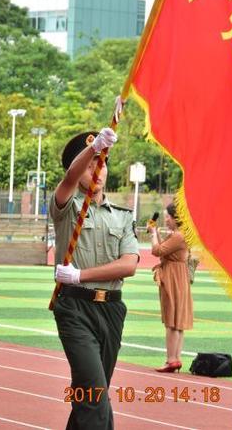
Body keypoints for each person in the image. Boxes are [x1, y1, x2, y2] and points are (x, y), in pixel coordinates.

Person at [51, 129, 139, 429]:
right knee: (95, 396)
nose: (97, 170)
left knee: (88, 393)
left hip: (112, 310)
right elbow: (69, 180)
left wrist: (80, 274)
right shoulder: (67, 207)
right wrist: (92, 149)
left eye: (102, 162)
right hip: (75, 309)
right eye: (91, 165)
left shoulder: (123, 216)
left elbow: (129, 265)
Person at [149, 202, 193, 373]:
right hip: (179, 276)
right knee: (178, 320)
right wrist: (157, 234)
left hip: (172, 276)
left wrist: (153, 233)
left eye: (167, 217)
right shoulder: (180, 234)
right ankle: (175, 359)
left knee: (171, 319)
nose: (166, 220)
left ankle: (171, 359)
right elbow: (164, 250)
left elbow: (156, 251)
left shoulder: (178, 236)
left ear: (176, 218)